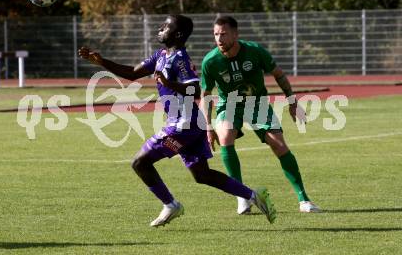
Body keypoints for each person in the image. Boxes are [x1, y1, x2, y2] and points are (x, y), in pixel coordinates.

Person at [78, 14, 277, 227]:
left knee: (140, 163)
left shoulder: (180, 58)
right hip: (190, 125)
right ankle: (254, 195)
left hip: (183, 126)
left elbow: (196, 89)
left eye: (166, 26)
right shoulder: (161, 55)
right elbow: (132, 73)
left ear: (178, 34)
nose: (160, 28)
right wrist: (101, 62)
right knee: (202, 174)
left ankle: (171, 205)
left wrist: (170, 84)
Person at [200, 15, 321, 215]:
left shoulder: (255, 51)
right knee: (225, 136)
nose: (219, 39)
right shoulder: (210, 61)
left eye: (223, 34)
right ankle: (241, 197)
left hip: (257, 103)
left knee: (279, 146)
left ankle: (304, 200)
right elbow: (205, 95)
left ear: (236, 35)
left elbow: (279, 75)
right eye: (215, 34)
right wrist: (208, 126)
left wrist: (292, 102)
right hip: (229, 105)